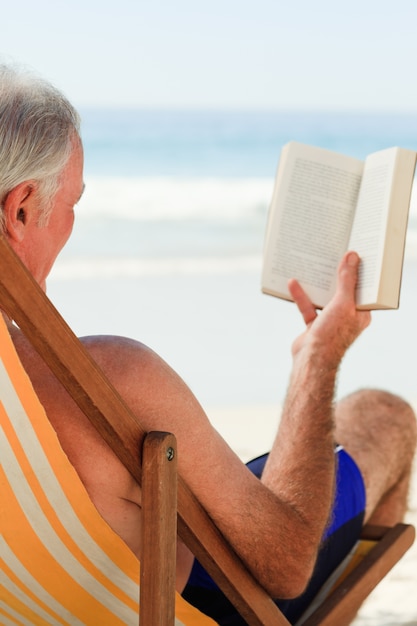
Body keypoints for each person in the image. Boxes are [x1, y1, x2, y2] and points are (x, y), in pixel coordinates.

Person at [0, 63, 416, 625]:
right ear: (21, 209)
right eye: (73, 203)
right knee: (382, 416)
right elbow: (287, 564)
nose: (72, 224)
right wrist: (318, 357)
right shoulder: (110, 382)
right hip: (173, 610)